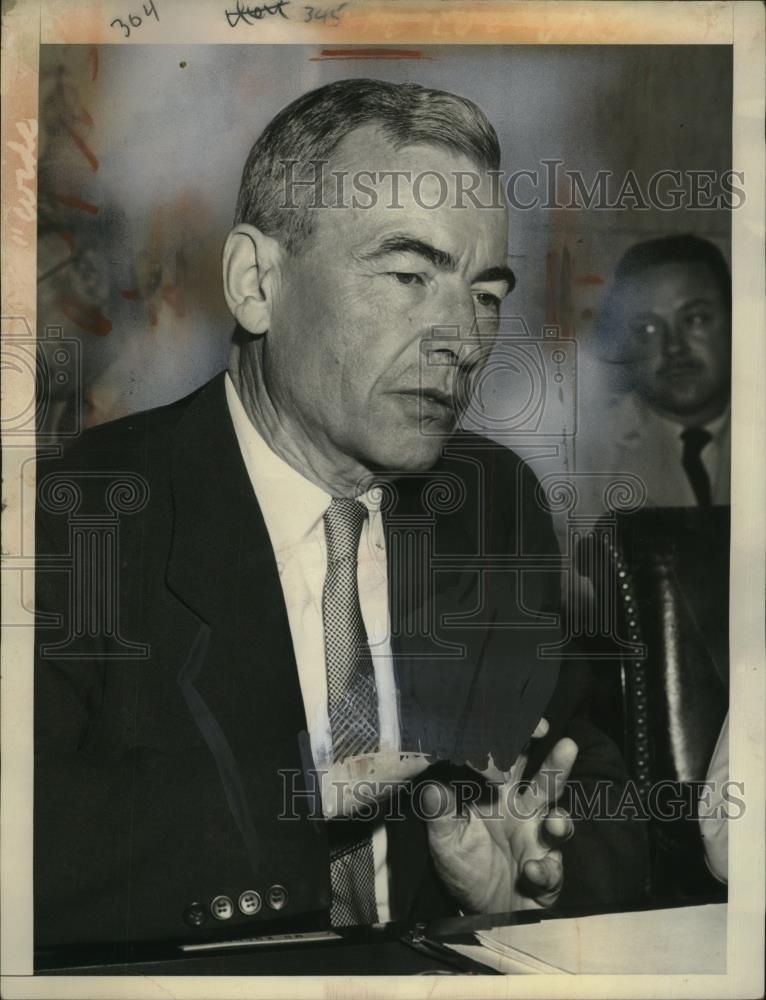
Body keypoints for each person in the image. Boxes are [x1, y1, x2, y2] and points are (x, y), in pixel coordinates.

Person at [34, 79, 646, 953]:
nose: (464, 341)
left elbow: (594, 781)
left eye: (485, 292)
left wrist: (529, 888)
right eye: (408, 276)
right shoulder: (78, 517)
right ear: (256, 283)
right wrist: (290, 800)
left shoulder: (490, 501)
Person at [579, 234, 731, 509]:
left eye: (695, 318)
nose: (674, 346)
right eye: (647, 329)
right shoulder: (584, 456)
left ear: (736, 320)